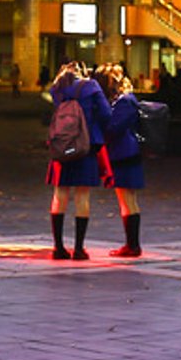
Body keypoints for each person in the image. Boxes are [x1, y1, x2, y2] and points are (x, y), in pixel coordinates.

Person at [46, 62, 111, 260]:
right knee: (82, 196)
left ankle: (58, 247)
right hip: (86, 147)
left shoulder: (57, 88)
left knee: (60, 194)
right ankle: (79, 249)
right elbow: (106, 114)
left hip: (63, 147)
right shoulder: (91, 87)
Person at [93, 64, 145, 257]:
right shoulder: (126, 100)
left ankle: (132, 245)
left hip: (124, 153)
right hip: (126, 152)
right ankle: (132, 244)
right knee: (127, 198)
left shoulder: (124, 102)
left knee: (127, 198)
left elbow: (114, 128)